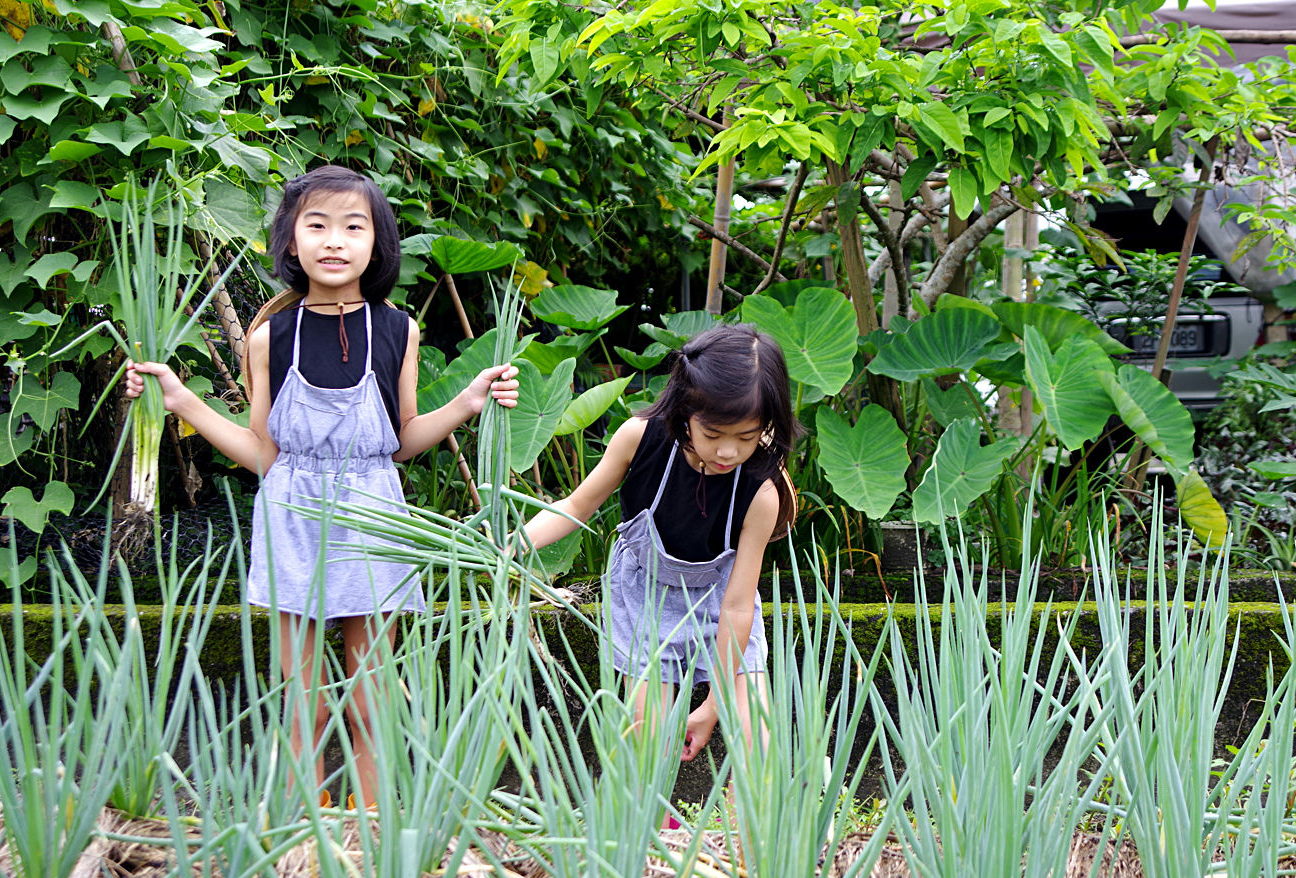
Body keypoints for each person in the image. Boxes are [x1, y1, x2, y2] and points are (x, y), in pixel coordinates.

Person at [124, 164, 518, 806]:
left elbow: (402, 440)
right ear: (290, 243)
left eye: (352, 227)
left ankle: (370, 835)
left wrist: (470, 402)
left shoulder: (398, 329)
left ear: (376, 245)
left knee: (370, 698)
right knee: (299, 704)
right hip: (292, 519)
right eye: (317, 225)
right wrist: (182, 402)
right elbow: (263, 454)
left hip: (374, 517)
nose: (334, 240)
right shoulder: (269, 335)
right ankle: (302, 840)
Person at [520, 324, 798, 763]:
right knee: (647, 744)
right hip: (643, 594)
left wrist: (714, 703)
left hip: (720, 600)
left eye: (746, 438)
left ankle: (759, 830)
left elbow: (738, 605)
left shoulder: (763, 490)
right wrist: (511, 544)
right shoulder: (640, 437)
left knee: (756, 738)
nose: (727, 452)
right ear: (685, 408)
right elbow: (575, 505)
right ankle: (656, 831)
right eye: (713, 435)